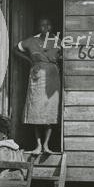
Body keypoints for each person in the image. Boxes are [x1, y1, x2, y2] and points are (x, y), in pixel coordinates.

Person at [14, 17, 61, 155]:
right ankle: (38, 145)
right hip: (37, 77)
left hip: (52, 78)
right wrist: (29, 60)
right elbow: (15, 49)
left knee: (50, 112)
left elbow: (63, 56)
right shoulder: (31, 41)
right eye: (42, 25)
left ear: (51, 26)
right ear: (38, 27)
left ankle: (46, 145)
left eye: (48, 24)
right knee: (36, 111)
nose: (45, 27)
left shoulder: (58, 41)